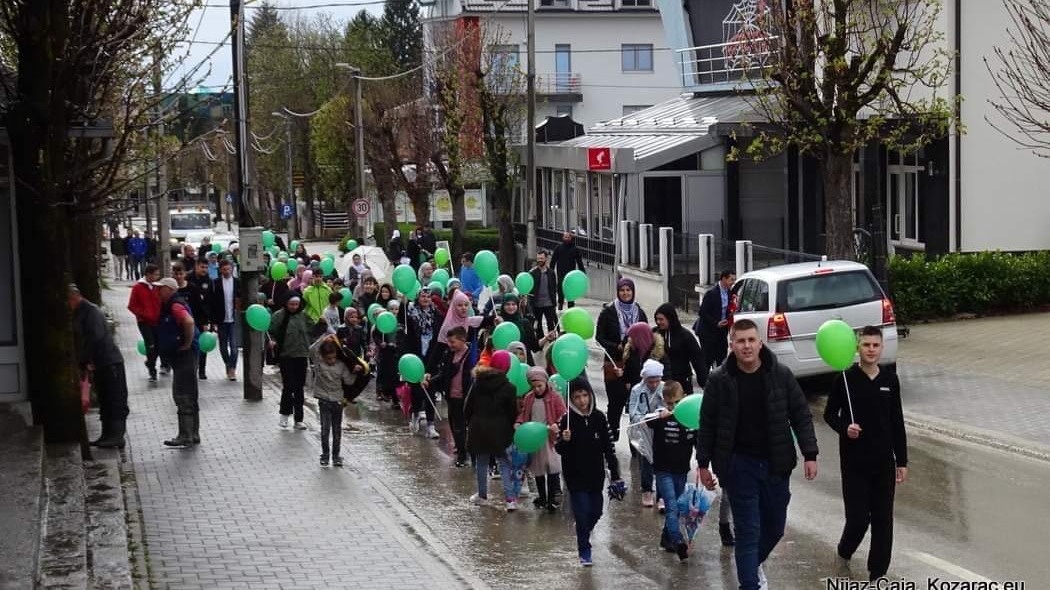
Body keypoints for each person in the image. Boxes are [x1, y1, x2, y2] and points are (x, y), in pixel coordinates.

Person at [696, 318, 819, 590]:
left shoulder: (780, 374)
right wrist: (703, 463)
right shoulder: (719, 380)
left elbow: (801, 415)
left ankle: (750, 565)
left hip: (776, 463)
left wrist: (810, 453)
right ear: (732, 345)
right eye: (741, 341)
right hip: (739, 466)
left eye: (751, 340)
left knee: (775, 527)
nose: (747, 346)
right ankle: (748, 583)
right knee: (748, 531)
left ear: (760, 342)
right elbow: (708, 424)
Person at [824, 326, 908, 582]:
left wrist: (901, 460)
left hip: (883, 460)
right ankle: (844, 552)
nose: (870, 350)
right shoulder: (845, 379)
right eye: (866, 345)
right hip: (854, 462)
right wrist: (844, 428)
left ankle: (878, 573)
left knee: (884, 520)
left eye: (875, 345)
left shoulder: (890, 380)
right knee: (859, 519)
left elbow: (897, 421)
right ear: (857, 348)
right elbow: (829, 414)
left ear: (882, 348)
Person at [556, 377, 624, 567]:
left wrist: (615, 474)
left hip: (596, 475)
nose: (582, 400)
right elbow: (559, 449)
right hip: (575, 476)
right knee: (581, 511)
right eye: (577, 397)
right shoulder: (566, 419)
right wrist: (565, 440)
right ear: (571, 399)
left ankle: (583, 528)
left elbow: (608, 447)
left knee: (596, 511)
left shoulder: (599, 418)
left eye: (585, 395)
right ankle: (584, 549)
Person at [70, 285, 129, 448]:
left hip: (109, 361)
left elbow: (94, 338)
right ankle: (107, 434)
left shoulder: (91, 312)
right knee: (105, 398)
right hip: (100, 362)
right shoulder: (81, 312)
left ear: (74, 297)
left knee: (114, 398)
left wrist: (85, 359)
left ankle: (117, 435)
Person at [465, 350, 519, 510]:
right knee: (504, 464)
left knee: (481, 462)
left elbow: (468, 406)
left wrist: (470, 421)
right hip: (501, 430)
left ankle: (482, 495)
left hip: (479, 428)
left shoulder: (478, 382)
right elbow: (512, 412)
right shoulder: (509, 387)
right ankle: (510, 499)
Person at [649, 380, 696, 561]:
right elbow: (647, 421)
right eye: (669, 403)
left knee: (677, 506)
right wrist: (659, 415)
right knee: (671, 505)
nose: (674, 406)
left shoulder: (690, 418)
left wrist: (703, 463)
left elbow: (699, 439)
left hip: (681, 470)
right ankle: (678, 542)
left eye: (677, 402)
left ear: (683, 398)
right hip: (663, 470)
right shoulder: (661, 417)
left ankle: (666, 537)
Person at [596, 278, 648, 442]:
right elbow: (599, 338)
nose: (625, 293)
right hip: (613, 361)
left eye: (628, 290)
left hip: (634, 364)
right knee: (615, 402)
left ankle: (636, 441)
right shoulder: (608, 311)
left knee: (636, 403)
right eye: (622, 290)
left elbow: (646, 335)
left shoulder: (639, 311)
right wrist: (616, 346)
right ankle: (612, 436)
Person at [154, 278, 201, 447]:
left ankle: (185, 435)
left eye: (161, 288)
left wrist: (186, 344)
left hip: (184, 356)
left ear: (169, 289)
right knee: (190, 393)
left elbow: (188, 321)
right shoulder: (173, 304)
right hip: (186, 355)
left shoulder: (174, 305)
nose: (158, 292)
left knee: (182, 394)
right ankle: (193, 433)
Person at [517, 366, 567, 512]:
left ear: (545, 382)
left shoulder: (555, 397)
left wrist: (557, 424)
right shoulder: (529, 398)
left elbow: (563, 414)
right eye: (534, 387)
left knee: (552, 467)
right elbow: (524, 414)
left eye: (540, 386)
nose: (537, 389)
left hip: (549, 438)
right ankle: (542, 496)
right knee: (538, 469)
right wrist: (519, 422)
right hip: (534, 438)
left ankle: (553, 497)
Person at [309, 334, 356, 467]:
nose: (332, 360)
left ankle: (336, 456)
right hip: (324, 400)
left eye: (334, 357)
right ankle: (325, 455)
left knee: (336, 429)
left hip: (337, 401)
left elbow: (349, 381)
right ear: (323, 356)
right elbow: (312, 350)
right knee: (325, 429)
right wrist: (322, 339)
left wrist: (354, 371)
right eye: (329, 358)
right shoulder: (319, 363)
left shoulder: (341, 365)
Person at [434, 326, 477, 467]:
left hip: (467, 396)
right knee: (455, 425)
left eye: (453, 342)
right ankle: (462, 451)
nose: (450, 345)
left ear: (463, 340)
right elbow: (443, 373)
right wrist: (430, 381)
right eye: (449, 342)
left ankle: (465, 453)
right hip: (452, 396)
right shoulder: (448, 354)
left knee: (465, 426)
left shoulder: (472, 355)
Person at [405, 287, 443, 438]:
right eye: (423, 296)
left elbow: (440, 335)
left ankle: (430, 425)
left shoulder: (437, 314)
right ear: (418, 298)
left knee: (430, 391)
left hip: (431, 356)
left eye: (428, 296)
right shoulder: (411, 314)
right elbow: (406, 337)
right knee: (417, 391)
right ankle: (415, 414)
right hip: (415, 356)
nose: (426, 299)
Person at [269, 296, 312, 429]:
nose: (294, 307)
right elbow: (271, 331)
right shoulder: (278, 316)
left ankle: (299, 419)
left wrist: (321, 323)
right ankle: (284, 415)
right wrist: (272, 341)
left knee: (299, 387)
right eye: (291, 304)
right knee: (288, 386)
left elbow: (312, 330)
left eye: (296, 304)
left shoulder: (303, 315)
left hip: (301, 354)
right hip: (285, 355)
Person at [628, 359, 666, 509]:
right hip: (644, 430)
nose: (654, 385)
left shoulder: (664, 388)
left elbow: (669, 405)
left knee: (663, 463)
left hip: (660, 429)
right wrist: (642, 419)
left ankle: (662, 495)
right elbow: (633, 410)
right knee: (646, 461)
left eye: (657, 381)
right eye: (651, 381)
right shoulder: (637, 390)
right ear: (644, 378)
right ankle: (647, 490)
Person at [654, 303, 709, 389]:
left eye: (661, 319)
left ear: (670, 319)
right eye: (657, 319)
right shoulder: (655, 334)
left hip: (682, 382)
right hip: (660, 382)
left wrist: (704, 383)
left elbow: (698, 360)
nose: (658, 322)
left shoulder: (685, 336)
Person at [128, 263, 161, 381]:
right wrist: (144, 314)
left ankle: (150, 361)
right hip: (144, 322)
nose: (157, 277)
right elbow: (132, 305)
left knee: (157, 346)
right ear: (148, 274)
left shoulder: (158, 287)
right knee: (150, 345)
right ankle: (152, 370)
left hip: (157, 321)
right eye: (155, 274)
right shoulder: (138, 287)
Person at [695, 269, 735, 369]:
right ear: (723, 279)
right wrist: (716, 323)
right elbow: (702, 313)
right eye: (731, 280)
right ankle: (706, 380)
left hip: (722, 331)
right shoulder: (711, 294)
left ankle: (720, 379)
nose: (733, 282)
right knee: (708, 358)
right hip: (708, 331)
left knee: (722, 356)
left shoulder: (730, 293)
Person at [209, 259, 241, 381]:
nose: (226, 271)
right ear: (220, 270)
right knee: (223, 347)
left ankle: (232, 368)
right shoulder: (215, 283)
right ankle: (228, 364)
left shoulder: (237, 282)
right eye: (224, 269)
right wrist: (213, 322)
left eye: (228, 269)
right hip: (221, 319)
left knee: (234, 346)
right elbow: (212, 303)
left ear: (232, 269)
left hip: (233, 319)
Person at [187, 259, 214, 379]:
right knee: (189, 343)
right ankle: (190, 367)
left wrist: (208, 320)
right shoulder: (188, 278)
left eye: (206, 267)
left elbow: (210, 301)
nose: (204, 270)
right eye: (202, 267)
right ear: (196, 266)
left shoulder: (208, 281)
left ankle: (201, 370)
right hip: (188, 317)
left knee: (203, 344)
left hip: (202, 318)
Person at [373, 299, 403, 408]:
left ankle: (399, 397)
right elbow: (375, 334)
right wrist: (381, 343)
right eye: (392, 309)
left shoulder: (402, 322)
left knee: (398, 377)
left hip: (398, 353)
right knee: (390, 377)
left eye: (396, 309)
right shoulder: (383, 320)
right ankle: (392, 398)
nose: (394, 311)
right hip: (386, 354)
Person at [550, 232, 586, 309]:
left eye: (568, 237)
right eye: (565, 237)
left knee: (571, 289)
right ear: (563, 238)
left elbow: (579, 262)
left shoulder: (575, 249)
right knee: (560, 288)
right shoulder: (558, 248)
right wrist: (551, 271)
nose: (566, 238)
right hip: (561, 272)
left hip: (571, 273)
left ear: (571, 238)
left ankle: (571, 304)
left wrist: (583, 272)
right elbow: (553, 261)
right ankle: (560, 302)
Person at [528, 250, 558, 336]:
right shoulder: (532, 273)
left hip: (549, 303)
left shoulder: (551, 273)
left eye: (542, 258)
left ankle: (551, 341)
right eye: (538, 258)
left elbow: (553, 288)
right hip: (536, 304)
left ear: (546, 259)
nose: (540, 260)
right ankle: (540, 341)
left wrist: (555, 302)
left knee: (551, 324)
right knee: (538, 325)